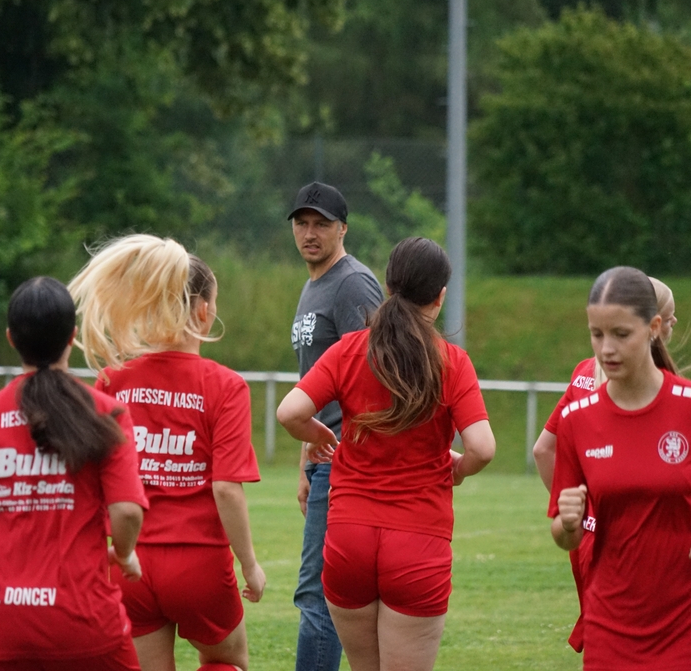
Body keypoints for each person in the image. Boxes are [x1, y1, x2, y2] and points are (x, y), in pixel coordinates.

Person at [277, 236, 497, 671]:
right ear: (440, 297)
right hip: (418, 541)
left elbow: (289, 412)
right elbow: (483, 448)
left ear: (389, 286)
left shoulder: (349, 349)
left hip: (348, 539)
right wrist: (458, 469)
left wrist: (319, 435)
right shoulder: (450, 360)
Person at [549, 265, 691, 670]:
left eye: (621, 334)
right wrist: (570, 523)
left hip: (690, 625)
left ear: (653, 328)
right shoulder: (577, 419)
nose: (606, 349)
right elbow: (564, 536)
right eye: (597, 334)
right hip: (609, 624)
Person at [68, 234, 264, 671]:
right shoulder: (225, 385)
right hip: (198, 562)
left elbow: (92, 476)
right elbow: (226, 488)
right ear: (204, 310)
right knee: (227, 660)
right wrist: (250, 565)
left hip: (129, 559)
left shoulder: (113, 379)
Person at [0, 277, 147, 670]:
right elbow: (127, 512)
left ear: (11, 338)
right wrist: (124, 553)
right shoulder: (106, 413)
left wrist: (11, 511)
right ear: (72, 337)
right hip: (82, 620)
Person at [532, 276, 677, 651]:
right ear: (654, 326)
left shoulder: (584, 372)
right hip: (638, 542)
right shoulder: (668, 393)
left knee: (608, 646)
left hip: (587, 537)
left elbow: (543, 450)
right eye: (671, 319)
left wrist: (577, 512)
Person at [287, 181, 384, 671]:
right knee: (324, 590)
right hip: (322, 457)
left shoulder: (353, 284)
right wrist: (305, 461)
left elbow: (373, 375)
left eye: (321, 224)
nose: (310, 233)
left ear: (343, 229)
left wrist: (340, 455)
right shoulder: (314, 285)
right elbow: (315, 382)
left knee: (318, 592)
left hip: (345, 457)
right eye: (301, 223)